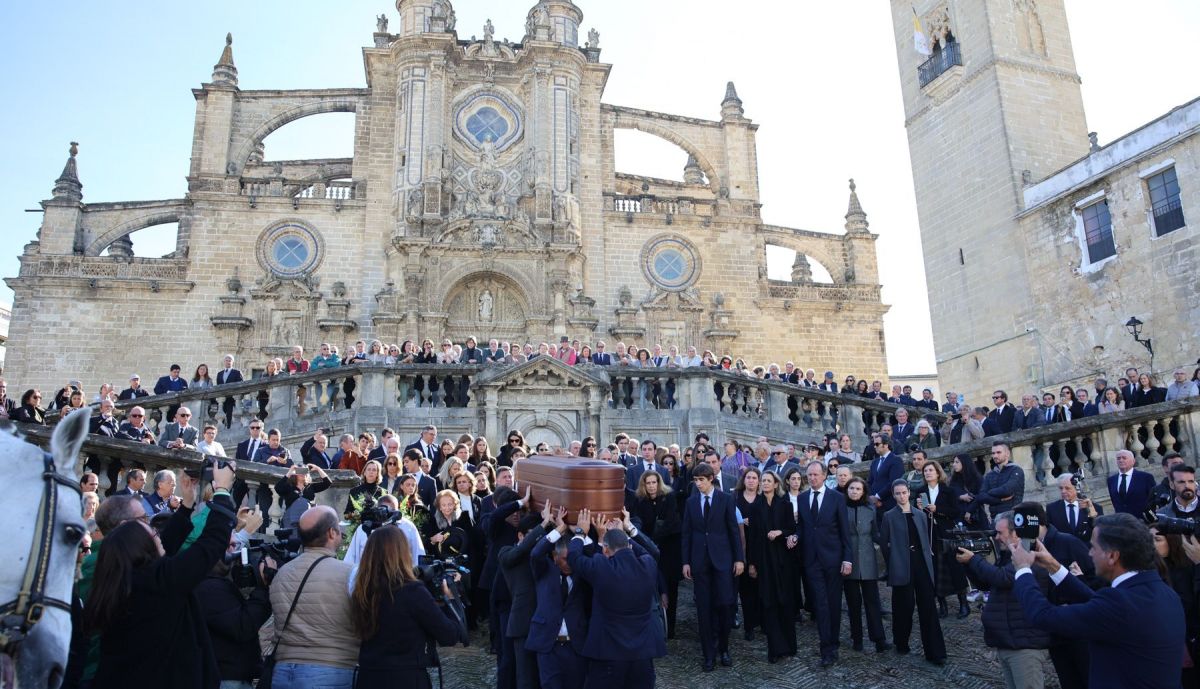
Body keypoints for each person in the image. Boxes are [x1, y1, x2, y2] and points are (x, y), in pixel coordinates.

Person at [85, 463, 238, 689]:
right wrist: (222, 491)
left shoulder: (116, 573)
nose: (153, 527)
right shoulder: (153, 581)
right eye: (144, 520)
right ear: (128, 528)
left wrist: (186, 506)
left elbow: (164, 548)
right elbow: (209, 545)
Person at [1010, 513, 1185, 689]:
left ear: (1112, 556)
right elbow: (1096, 604)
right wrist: (1053, 566)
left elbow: (1042, 615)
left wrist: (1023, 569)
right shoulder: (1165, 593)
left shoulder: (1118, 604)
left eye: (1094, 547)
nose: (1090, 553)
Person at [350, 526, 465, 689]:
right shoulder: (412, 591)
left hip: (368, 676)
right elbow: (449, 635)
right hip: (406, 677)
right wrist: (451, 599)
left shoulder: (362, 591)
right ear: (402, 553)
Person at [566, 508, 665, 689]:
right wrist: (625, 533)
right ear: (629, 546)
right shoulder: (648, 565)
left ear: (605, 550)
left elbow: (573, 557)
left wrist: (580, 532)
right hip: (642, 654)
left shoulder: (602, 567)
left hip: (609, 654)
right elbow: (652, 552)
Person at [955, 511, 1052, 689]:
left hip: (1025, 646)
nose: (997, 537)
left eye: (1000, 533)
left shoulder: (1029, 555)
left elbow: (1003, 578)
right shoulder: (1008, 556)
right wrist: (967, 564)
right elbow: (987, 583)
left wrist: (974, 560)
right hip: (1008, 642)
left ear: (1016, 534)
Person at [269, 506, 358, 689]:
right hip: (331, 669)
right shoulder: (349, 574)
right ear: (332, 533)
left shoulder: (282, 573)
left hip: (283, 671)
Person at [682, 462, 745, 672]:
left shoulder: (725, 499)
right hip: (700, 562)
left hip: (723, 561)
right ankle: (708, 654)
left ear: (711, 479)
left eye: (701, 480)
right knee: (704, 609)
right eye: (695, 480)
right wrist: (686, 561)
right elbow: (687, 534)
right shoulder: (691, 502)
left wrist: (739, 559)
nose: (698, 484)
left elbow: (734, 531)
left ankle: (724, 648)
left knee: (726, 605)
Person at [879, 480, 947, 665]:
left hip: (922, 565)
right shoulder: (889, 516)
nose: (901, 496)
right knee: (903, 606)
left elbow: (926, 540)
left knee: (928, 607)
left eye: (904, 492)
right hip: (901, 565)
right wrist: (893, 562)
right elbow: (884, 544)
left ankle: (935, 652)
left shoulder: (920, 515)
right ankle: (901, 642)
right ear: (893, 495)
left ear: (909, 492)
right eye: (898, 493)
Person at [793, 460, 853, 667]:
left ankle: (833, 643)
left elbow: (845, 531)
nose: (812, 478)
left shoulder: (837, 498)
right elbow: (803, 527)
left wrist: (847, 558)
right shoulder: (802, 498)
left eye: (816, 475)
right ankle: (826, 648)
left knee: (834, 603)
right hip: (811, 560)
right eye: (809, 475)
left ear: (825, 475)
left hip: (833, 559)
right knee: (820, 604)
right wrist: (796, 536)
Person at [197, 530, 275, 689]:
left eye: (235, 545)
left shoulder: (216, 583)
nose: (233, 551)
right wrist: (263, 587)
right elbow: (243, 625)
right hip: (226, 677)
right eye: (230, 545)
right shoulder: (209, 587)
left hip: (230, 675)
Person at [528, 507, 591, 689]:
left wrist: (578, 532)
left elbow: (592, 553)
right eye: (565, 559)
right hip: (548, 646)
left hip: (576, 646)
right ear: (555, 557)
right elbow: (536, 553)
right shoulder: (544, 571)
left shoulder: (581, 572)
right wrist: (560, 529)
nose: (569, 563)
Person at [500, 503, 553, 689]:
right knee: (525, 678)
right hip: (523, 623)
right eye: (532, 535)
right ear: (520, 536)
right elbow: (520, 552)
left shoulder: (546, 555)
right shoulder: (506, 553)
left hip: (546, 622)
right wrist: (543, 525)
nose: (537, 540)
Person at [749, 471, 798, 663]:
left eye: (769, 481)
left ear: (776, 484)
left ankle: (789, 645)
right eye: (763, 481)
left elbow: (792, 529)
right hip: (764, 560)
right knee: (768, 603)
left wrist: (780, 532)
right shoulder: (755, 507)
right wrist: (752, 563)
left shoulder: (785, 505)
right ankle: (775, 649)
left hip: (783, 560)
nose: (765, 483)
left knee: (785, 601)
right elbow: (752, 537)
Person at [632, 469, 683, 639]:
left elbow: (671, 521)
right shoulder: (640, 501)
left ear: (659, 483)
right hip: (649, 549)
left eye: (654, 482)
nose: (651, 486)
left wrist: (655, 540)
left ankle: (671, 628)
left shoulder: (669, 497)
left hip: (669, 548)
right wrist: (649, 543)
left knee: (671, 588)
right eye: (648, 483)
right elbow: (640, 523)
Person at [916, 461, 970, 619]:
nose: (927, 473)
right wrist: (919, 509)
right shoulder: (921, 491)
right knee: (935, 568)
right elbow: (919, 515)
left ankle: (963, 604)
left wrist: (938, 509)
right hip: (930, 534)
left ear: (938, 473)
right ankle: (942, 605)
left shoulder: (948, 490)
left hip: (947, 533)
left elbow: (956, 512)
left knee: (955, 567)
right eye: (925, 471)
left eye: (930, 470)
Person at [842, 477, 889, 653]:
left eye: (858, 489)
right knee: (853, 603)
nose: (854, 491)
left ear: (863, 492)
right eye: (851, 488)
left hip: (868, 560)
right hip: (849, 560)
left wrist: (889, 542)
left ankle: (879, 639)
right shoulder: (841, 508)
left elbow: (876, 533)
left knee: (872, 601)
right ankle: (857, 638)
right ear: (847, 490)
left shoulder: (870, 509)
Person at [734, 468, 763, 642]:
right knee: (745, 590)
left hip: (760, 547)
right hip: (742, 546)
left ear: (759, 481)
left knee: (760, 587)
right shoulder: (735, 498)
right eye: (748, 477)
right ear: (743, 480)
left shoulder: (762, 498)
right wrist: (741, 522)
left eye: (754, 478)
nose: (751, 480)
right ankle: (749, 626)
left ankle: (761, 621)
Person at [1046, 473, 1103, 542]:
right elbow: (1049, 534)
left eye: (1067, 488)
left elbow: (1101, 532)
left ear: (1077, 488)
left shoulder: (1095, 508)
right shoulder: (1051, 509)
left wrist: (1093, 517)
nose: (1063, 491)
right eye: (1061, 488)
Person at [976, 442, 1024, 523]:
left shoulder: (1016, 470)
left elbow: (1007, 490)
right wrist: (1000, 500)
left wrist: (989, 492)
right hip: (994, 519)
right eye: (993, 453)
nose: (995, 456)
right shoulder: (990, 474)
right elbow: (981, 497)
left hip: (1012, 518)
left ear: (1007, 454)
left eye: (998, 452)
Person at [1107, 449, 1156, 517]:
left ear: (1133, 461)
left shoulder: (1146, 477)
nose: (1121, 460)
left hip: (1142, 519)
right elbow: (1115, 502)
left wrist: (1150, 517)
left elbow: (1153, 500)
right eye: (1118, 458)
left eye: (1124, 458)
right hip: (1122, 520)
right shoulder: (1111, 480)